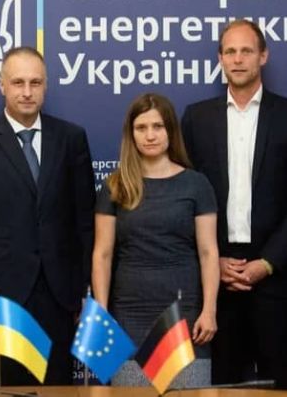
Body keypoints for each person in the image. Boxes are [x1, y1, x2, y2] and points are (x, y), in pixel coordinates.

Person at [181, 19, 287, 389]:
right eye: (230, 51)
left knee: (281, 386)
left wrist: (267, 263)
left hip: (276, 275)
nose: (237, 59)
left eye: (246, 51)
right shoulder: (196, 117)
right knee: (222, 385)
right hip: (218, 277)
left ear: (263, 56)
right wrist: (214, 260)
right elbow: (185, 197)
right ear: (220, 59)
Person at [0, 46, 95, 385]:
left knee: (57, 389)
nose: (27, 92)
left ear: (46, 85)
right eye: (18, 82)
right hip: (2, 298)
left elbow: (84, 222)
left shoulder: (71, 138)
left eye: (35, 82)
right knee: (5, 390)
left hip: (60, 297)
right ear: (2, 85)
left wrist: (84, 290)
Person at [92, 92, 219, 386]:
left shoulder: (196, 184)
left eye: (158, 126)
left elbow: (209, 252)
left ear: (170, 130)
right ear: (131, 134)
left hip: (184, 316)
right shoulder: (115, 186)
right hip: (128, 318)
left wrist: (209, 310)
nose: (150, 135)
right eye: (141, 127)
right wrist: (101, 314)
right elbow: (102, 254)